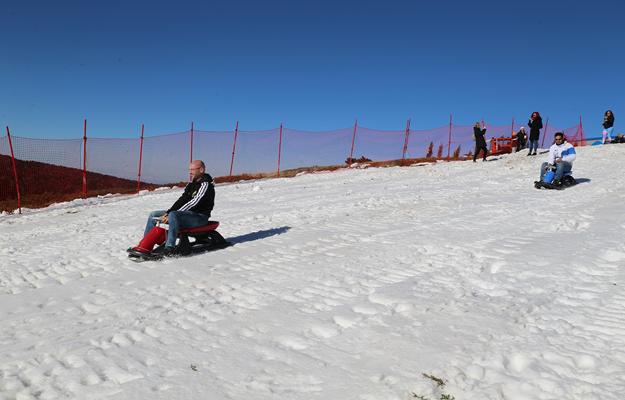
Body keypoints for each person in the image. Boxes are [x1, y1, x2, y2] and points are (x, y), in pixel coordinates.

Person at [138, 160, 215, 256]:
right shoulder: (191, 184)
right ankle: (144, 245)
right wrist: (168, 212)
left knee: (173, 214)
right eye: (189, 169)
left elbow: (194, 203)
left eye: (192, 169)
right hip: (186, 215)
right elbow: (182, 199)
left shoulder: (206, 185)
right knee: (153, 215)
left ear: (201, 170)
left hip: (199, 217)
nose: (190, 172)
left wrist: (171, 214)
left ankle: (169, 247)